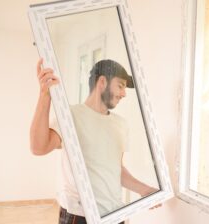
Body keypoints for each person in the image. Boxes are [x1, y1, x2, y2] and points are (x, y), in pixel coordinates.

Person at [30, 58, 159, 224]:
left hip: (116, 215)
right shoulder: (71, 116)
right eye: (120, 85)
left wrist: (144, 190)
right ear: (102, 82)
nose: (124, 93)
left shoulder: (121, 125)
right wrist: (44, 95)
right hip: (80, 216)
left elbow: (116, 169)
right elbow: (39, 147)